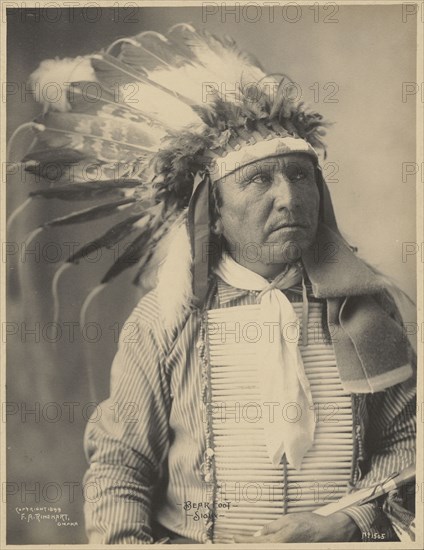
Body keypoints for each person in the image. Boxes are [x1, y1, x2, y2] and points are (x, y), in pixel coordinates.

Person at [18, 24, 416, 544]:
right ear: (215, 211)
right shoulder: (168, 320)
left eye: (300, 175)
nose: (289, 198)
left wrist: (342, 522)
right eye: (259, 179)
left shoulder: (362, 310)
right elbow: (121, 467)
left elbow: (411, 444)